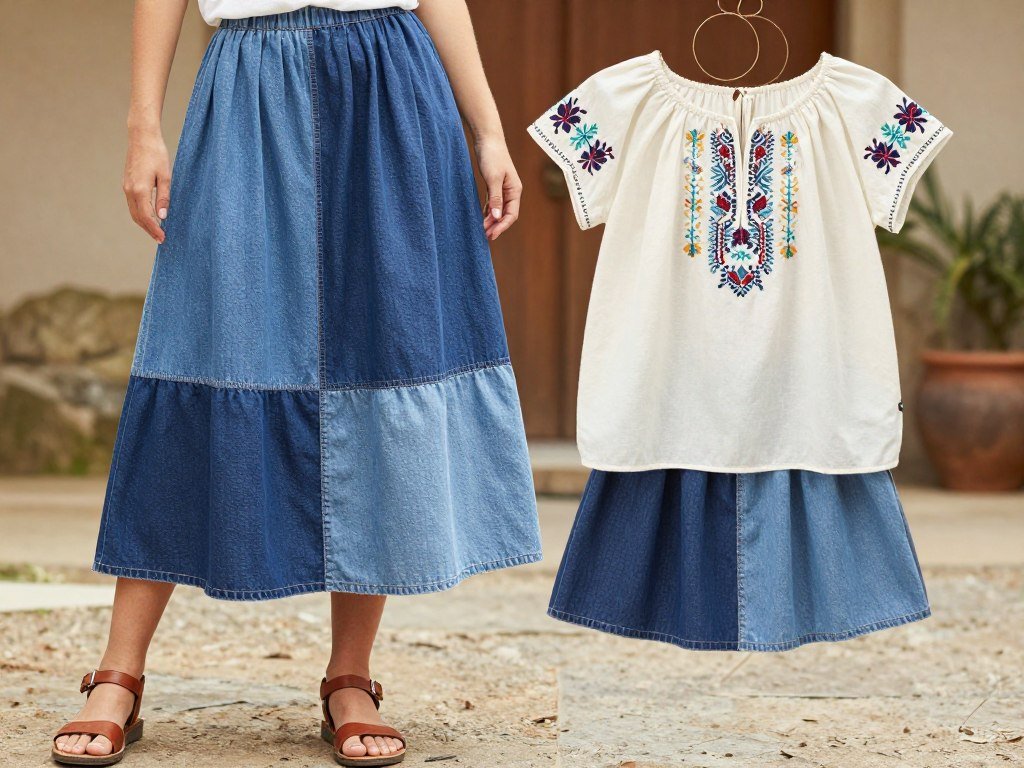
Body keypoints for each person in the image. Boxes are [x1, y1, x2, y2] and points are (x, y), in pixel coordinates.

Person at [51, 1, 541, 765]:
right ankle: (119, 670)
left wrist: (488, 131)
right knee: (200, 349)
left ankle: (351, 675)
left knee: (381, 361)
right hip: (247, 80)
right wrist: (142, 126)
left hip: (392, 81)